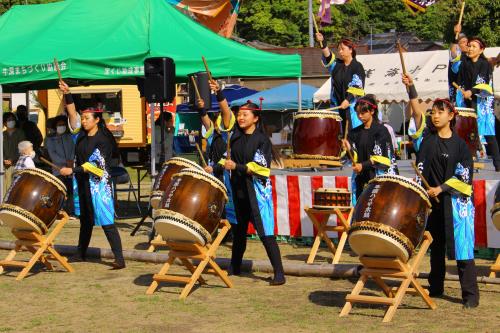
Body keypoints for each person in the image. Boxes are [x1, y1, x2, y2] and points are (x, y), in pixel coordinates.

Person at [402, 73, 479, 309]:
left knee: (463, 249)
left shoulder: (461, 147)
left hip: (457, 204)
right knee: (435, 246)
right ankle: (436, 288)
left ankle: (470, 296)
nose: (434, 116)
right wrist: (411, 87)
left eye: (439, 112)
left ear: (451, 115)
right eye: (433, 112)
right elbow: (416, 111)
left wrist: (441, 187)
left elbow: (464, 178)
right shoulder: (427, 139)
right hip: (432, 202)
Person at [58, 80, 125, 270]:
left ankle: (120, 259)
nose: (84, 120)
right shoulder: (80, 135)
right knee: (85, 219)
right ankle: (81, 253)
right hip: (82, 182)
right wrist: (67, 94)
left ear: (96, 120)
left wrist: (73, 170)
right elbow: (72, 113)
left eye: (87, 118)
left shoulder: (103, 140)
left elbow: (96, 165)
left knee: (106, 221)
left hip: (99, 184)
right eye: (83, 117)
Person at [220, 100, 285, 286]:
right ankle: (235, 266)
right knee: (238, 231)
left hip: (256, 194)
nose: (240, 117)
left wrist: (237, 166)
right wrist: (219, 93)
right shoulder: (235, 137)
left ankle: (279, 273)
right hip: (238, 190)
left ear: (255, 118)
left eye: (244, 115)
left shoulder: (262, 140)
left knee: (266, 233)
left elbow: (260, 168)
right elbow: (226, 117)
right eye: (239, 114)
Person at [341, 94, 398, 202]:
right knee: (360, 208)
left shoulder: (381, 130)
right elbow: (353, 155)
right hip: (361, 177)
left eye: (363, 113)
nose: (360, 116)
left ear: (372, 111)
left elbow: (383, 157)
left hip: (378, 177)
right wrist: (347, 148)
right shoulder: (354, 132)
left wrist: (363, 165)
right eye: (358, 113)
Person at [456, 37, 500, 171]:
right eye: (469, 46)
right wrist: (463, 92)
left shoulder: (485, 64)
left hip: (483, 103)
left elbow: (483, 83)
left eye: (474, 46)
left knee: (489, 134)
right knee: (467, 133)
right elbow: (460, 81)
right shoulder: (464, 63)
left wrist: (471, 91)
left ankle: (498, 164)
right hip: (468, 101)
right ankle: (467, 162)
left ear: (481, 50)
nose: (470, 48)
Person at [197, 80, 237, 225]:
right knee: (213, 202)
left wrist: (218, 92)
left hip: (226, 173)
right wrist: (201, 108)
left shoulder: (229, 136)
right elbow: (205, 120)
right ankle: (216, 226)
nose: (217, 125)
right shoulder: (213, 134)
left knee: (227, 202)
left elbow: (226, 111)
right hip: (214, 173)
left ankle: (230, 229)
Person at [315, 32, 365, 131]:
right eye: (339, 50)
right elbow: (328, 57)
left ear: (351, 50)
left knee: (352, 136)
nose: (340, 52)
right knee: (338, 136)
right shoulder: (336, 65)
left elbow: (357, 87)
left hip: (352, 107)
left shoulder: (357, 66)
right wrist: (322, 42)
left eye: (343, 49)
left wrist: (347, 100)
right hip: (337, 107)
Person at [45, 116, 75, 215]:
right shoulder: (50, 139)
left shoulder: (69, 136)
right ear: (55, 126)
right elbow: (52, 154)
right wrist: (65, 162)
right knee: (60, 190)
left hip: (71, 168)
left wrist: (71, 161)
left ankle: (70, 211)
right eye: (59, 125)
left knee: (70, 190)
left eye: (63, 125)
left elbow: (73, 149)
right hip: (58, 169)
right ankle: (59, 210)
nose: (61, 127)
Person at [3, 112, 26, 193]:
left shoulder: (20, 133)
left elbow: (23, 149)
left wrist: (12, 160)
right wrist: (4, 160)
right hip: (5, 166)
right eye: (9, 120)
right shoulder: (2, 135)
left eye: (13, 119)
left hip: (18, 165)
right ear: (4, 123)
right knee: (5, 189)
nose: (11, 121)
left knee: (15, 190)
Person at [448, 24, 468, 102]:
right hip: (458, 99)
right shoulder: (457, 58)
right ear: (458, 46)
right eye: (463, 42)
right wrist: (455, 36)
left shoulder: (471, 58)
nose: (466, 44)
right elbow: (453, 52)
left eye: (467, 41)